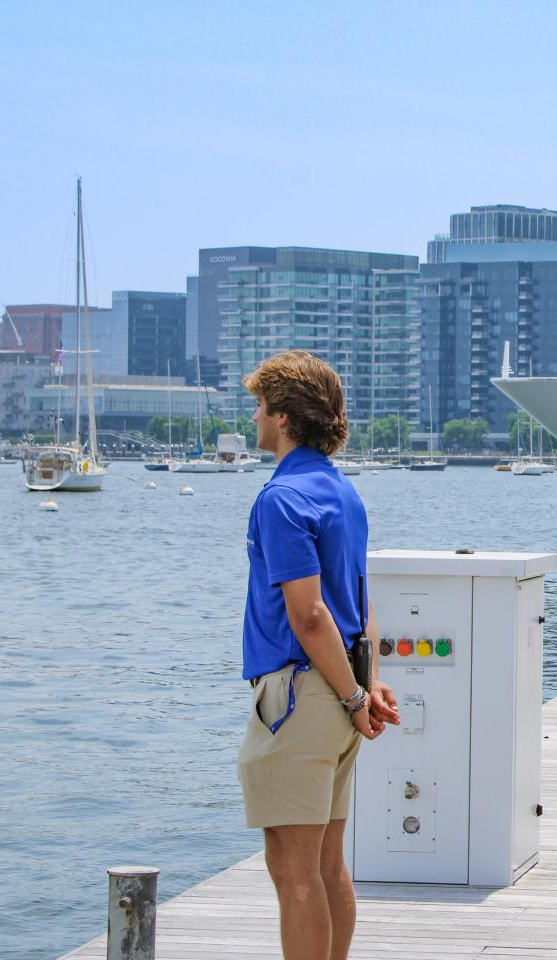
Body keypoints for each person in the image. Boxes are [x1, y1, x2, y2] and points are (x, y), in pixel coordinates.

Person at [236, 350, 400, 960]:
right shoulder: (342, 492)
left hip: (300, 699)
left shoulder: (281, 498)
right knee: (328, 864)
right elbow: (360, 602)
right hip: (337, 697)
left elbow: (308, 615)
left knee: (293, 869)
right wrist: (367, 684)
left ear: (281, 417)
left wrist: (359, 695)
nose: (253, 417)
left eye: (258, 406)